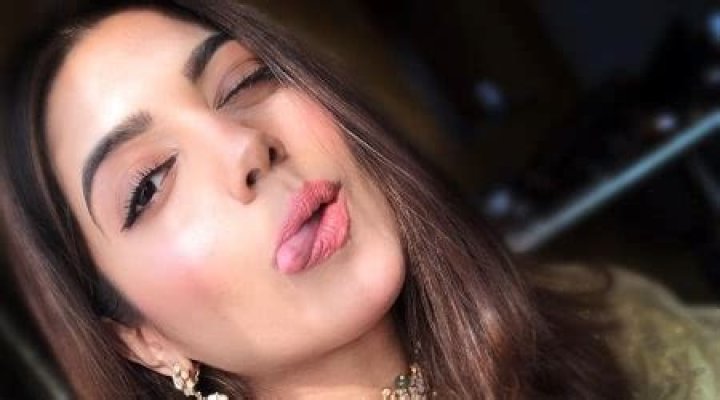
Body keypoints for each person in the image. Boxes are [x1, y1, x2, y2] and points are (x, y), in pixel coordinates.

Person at [0, 1, 715, 399]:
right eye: (149, 183)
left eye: (243, 83)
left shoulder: (622, 325)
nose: (245, 145)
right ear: (142, 339)